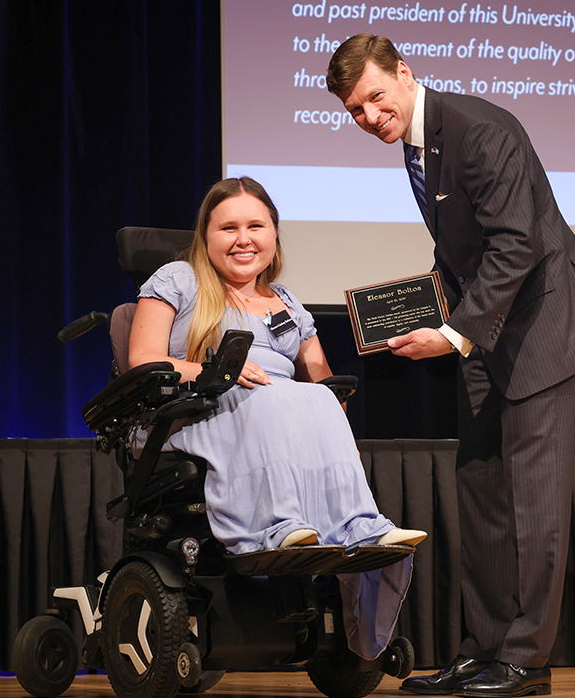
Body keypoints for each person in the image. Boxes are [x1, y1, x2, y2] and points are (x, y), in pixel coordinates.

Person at [326, 35, 575, 697]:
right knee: (483, 491)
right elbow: (461, 252)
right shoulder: (418, 144)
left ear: (404, 74)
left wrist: (454, 333)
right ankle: (482, 649)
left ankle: (525, 658)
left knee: (534, 502)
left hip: (542, 330)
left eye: (374, 97)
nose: (369, 116)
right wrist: (417, 313)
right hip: (490, 337)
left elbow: (518, 244)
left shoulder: (478, 131)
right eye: (355, 111)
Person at [126, 175, 425, 660]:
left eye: (255, 226)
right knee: (272, 397)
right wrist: (212, 369)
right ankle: (274, 526)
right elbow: (144, 359)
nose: (243, 239)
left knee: (319, 399)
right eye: (228, 228)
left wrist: (350, 399)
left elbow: (321, 378)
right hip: (195, 412)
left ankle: (358, 527)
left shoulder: (286, 302)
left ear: (275, 234)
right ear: (206, 236)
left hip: (275, 413)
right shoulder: (178, 280)